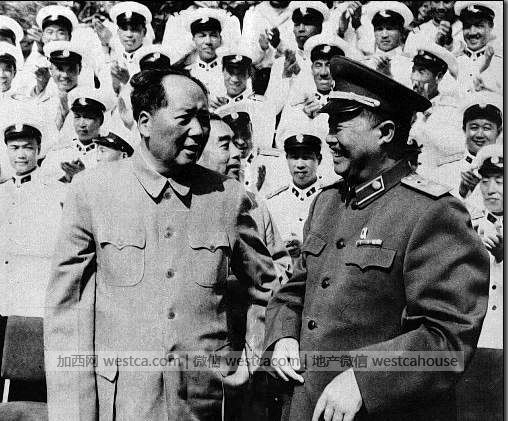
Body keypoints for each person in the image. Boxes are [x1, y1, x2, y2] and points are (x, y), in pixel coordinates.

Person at [44, 67, 279, 420]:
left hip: (204, 402)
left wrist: (251, 359)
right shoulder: (92, 191)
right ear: (144, 122)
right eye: (185, 119)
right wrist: (73, 414)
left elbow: (267, 285)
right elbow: (67, 310)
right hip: (124, 403)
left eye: (203, 119)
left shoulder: (227, 196)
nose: (198, 131)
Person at [264, 55, 489, 421]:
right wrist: (283, 336)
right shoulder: (326, 202)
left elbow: (447, 336)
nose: (329, 137)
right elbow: (296, 291)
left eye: (341, 123)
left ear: (385, 132)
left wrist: (365, 378)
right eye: (329, 123)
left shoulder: (434, 212)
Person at [199, 113, 291, 420]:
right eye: (224, 145)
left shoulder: (254, 205)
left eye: (237, 146)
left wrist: (251, 359)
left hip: (243, 353)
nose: (237, 153)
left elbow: (276, 271)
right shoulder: (177, 207)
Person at [0, 107, 64, 318]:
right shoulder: (2, 192)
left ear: (38, 149)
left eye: (27, 147)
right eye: (14, 148)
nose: (20, 154)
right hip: (4, 292)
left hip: (33, 297)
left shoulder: (56, 191)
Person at [455, 143, 503, 421]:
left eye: (500, 181)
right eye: (485, 181)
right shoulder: (469, 226)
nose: (491, 189)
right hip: (473, 345)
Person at [408, 43, 464, 184]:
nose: (415, 78)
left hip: (433, 178)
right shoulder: (408, 104)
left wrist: (428, 114)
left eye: (421, 72)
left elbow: (451, 149)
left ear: (438, 77)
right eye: (413, 71)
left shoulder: (450, 108)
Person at [266, 134, 326, 263]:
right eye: (294, 157)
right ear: (287, 159)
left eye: (306, 157)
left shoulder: (330, 199)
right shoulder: (273, 203)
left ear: (319, 160)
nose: (300, 165)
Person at [40, 86, 110, 183]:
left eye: (88, 117)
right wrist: (66, 179)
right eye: (77, 117)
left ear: (100, 121)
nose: (82, 124)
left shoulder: (109, 154)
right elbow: (42, 185)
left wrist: (84, 176)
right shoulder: (58, 153)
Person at [456, 94, 502, 204]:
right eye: (474, 127)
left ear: (498, 132)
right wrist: (463, 192)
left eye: (487, 128)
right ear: (464, 130)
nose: (480, 135)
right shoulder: (447, 169)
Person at [454, 1, 502, 94]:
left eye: (479, 26)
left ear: (490, 27)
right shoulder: (455, 62)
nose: (472, 32)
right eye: (467, 26)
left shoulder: (500, 64)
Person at [363, 1, 414, 86]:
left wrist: (388, 77)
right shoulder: (365, 64)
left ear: (401, 32)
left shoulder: (410, 67)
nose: (384, 35)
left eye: (390, 28)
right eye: (379, 29)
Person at [183, 8, 228, 99]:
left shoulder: (230, 72)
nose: (208, 41)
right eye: (202, 36)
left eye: (213, 35)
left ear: (220, 39)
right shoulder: (186, 74)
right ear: (193, 39)